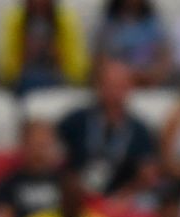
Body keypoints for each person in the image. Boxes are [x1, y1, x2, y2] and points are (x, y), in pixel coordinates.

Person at [57, 59, 156, 196]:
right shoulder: (75, 122)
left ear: (130, 88)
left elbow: (147, 175)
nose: (115, 91)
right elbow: (54, 159)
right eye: (109, 85)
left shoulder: (140, 131)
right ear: (98, 86)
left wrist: (126, 195)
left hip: (120, 202)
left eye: (121, 85)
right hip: (77, 199)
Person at [0, 0, 89, 93]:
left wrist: (58, 53)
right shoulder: (15, 19)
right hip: (23, 77)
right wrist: (24, 52)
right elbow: (6, 71)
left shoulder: (65, 19)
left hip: (57, 77)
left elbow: (78, 71)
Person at [0, 121, 63, 217]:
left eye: (45, 145)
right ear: (24, 145)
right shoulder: (9, 184)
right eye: (36, 145)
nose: (40, 151)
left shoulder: (64, 182)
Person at [95, 0, 169, 87]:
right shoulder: (108, 24)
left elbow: (164, 58)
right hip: (115, 83)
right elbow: (101, 58)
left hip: (147, 83)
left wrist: (147, 74)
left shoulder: (154, 24)